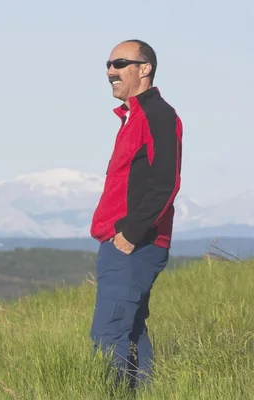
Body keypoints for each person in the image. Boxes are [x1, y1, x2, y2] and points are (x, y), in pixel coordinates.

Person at [89, 39, 183, 388]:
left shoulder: (158, 114)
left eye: (121, 63)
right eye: (108, 65)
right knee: (130, 330)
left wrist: (130, 234)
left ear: (145, 69)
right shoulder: (132, 117)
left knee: (107, 333)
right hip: (125, 243)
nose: (111, 71)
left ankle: (109, 394)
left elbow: (166, 182)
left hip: (134, 245)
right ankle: (143, 392)